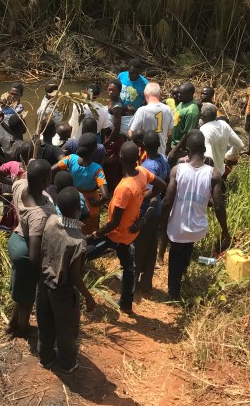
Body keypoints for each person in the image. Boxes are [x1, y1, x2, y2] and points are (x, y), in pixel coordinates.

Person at [87, 141, 166, 314]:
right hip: (131, 232)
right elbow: (162, 186)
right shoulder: (143, 173)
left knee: (84, 254)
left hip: (116, 234)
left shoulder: (124, 188)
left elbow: (114, 223)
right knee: (128, 267)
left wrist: (95, 234)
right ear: (138, 158)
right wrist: (142, 204)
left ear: (121, 158)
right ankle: (126, 304)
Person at [163, 130, 230, 300]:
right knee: (187, 248)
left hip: (177, 228)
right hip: (198, 229)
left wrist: (162, 223)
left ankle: (173, 294)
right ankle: (183, 274)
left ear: (188, 150)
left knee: (175, 257)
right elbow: (219, 205)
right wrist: (225, 230)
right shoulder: (214, 174)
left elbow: (167, 201)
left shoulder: (177, 170)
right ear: (204, 150)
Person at [37, 187, 96, 373]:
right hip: (62, 292)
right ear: (78, 210)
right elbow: (75, 276)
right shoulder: (78, 242)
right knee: (66, 331)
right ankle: (67, 364)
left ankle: (45, 358)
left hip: (44, 284)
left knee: (45, 325)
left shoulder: (51, 220)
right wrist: (88, 296)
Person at [7, 160, 57, 337]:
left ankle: (13, 322)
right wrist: (46, 270)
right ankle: (23, 327)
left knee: (21, 287)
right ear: (44, 181)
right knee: (28, 295)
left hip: (16, 239)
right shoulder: (39, 214)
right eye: (50, 176)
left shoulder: (20, 185)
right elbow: (34, 256)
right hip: (26, 251)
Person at [134, 130, 170, 297]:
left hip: (148, 210)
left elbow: (152, 194)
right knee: (151, 245)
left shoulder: (147, 166)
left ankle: (133, 281)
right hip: (158, 208)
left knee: (140, 246)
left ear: (144, 147)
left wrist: (139, 198)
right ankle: (147, 280)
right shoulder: (163, 159)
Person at [53, 133, 108, 236]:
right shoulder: (97, 169)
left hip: (73, 201)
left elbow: (51, 169)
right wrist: (96, 203)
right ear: (95, 149)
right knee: (89, 234)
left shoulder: (70, 159)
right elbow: (105, 196)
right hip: (90, 208)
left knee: (73, 232)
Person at [128, 82, 174, 155]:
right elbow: (169, 133)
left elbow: (132, 133)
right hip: (161, 153)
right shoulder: (168, 109)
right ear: (160, 94)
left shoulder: (142, 111)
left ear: (145, 94)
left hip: (145, 155)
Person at [199, 103, 245, 173]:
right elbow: (240, 145)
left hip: (210, 175)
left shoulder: (203, 130)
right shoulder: (224, 125)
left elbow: (208, 159)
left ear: (202, 116)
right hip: (221, 170)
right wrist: (228, 156)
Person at [104, 78, 127, 193]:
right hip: (112, 134)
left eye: (114, 90)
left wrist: (108, 141)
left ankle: (113, 185)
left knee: (113, 161)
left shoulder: (117, 106)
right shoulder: (112, 101)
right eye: (109, 90)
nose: (110, 92)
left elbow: (117, 127)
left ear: (119, 92)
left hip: (116, 137)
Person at [169, 82, 201, 161]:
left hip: (180, 149)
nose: (178, 95)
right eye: (178, 92)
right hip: (172, 144)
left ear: (190, 94)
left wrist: (174, 150)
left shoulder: (191, 111)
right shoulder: (182, 102)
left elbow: (187, 134)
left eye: (181, 93)